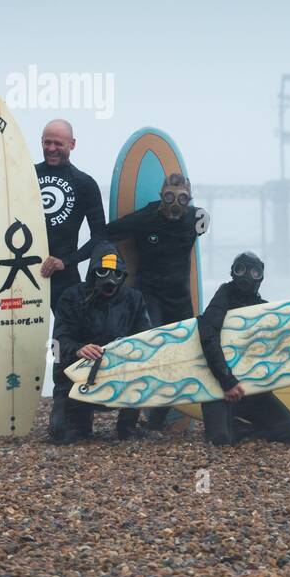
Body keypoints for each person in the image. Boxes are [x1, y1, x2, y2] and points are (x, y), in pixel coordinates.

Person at [99, 172, 208, 429]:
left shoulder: (196, 218)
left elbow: (203, 219)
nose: (175, 204)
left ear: (189, 200)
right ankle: (127, 422)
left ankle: (156, 422)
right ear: (161, 196)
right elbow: (106, 233)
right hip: (149, 296)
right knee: (146, 354)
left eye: (182, 199)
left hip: (179, 300)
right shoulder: (146, 217)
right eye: (169, 196)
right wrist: (102, 267)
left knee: (177, 359)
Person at [0, 100, 106, 316]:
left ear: (72, 144)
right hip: (20, 272)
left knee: (69, 338)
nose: (51, 148)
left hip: (63, 277)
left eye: (58, 143)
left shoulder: (84, 183)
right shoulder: (26, 175)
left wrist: (65, 262)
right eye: (47, 143)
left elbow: (101, 237)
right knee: (23, 339)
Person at [198, 251, 290, 446]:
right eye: (241, 270)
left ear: (261, 278)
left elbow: (286, 345)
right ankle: (231, 428)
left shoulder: (264, 310)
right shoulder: (223, 299)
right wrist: (227, 381)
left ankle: (241, 428)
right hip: (220, 390)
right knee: (220, 441)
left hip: (252, 389)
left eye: (254, 272)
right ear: (232, 272)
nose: (247, 276)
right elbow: (208, 335)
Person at [48, 245, 152, 444]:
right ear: (92, 273)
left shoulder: (134, 299)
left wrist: (124, 350)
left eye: (116, 275)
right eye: (102, 273)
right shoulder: (72, 297)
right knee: (62, 435)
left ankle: (127, 425)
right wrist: (78, 349)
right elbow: (56, 343)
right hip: (76, 374)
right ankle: (80, 421)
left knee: (143, 369)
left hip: (119, 371)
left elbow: (146, 339)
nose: (110, 281)